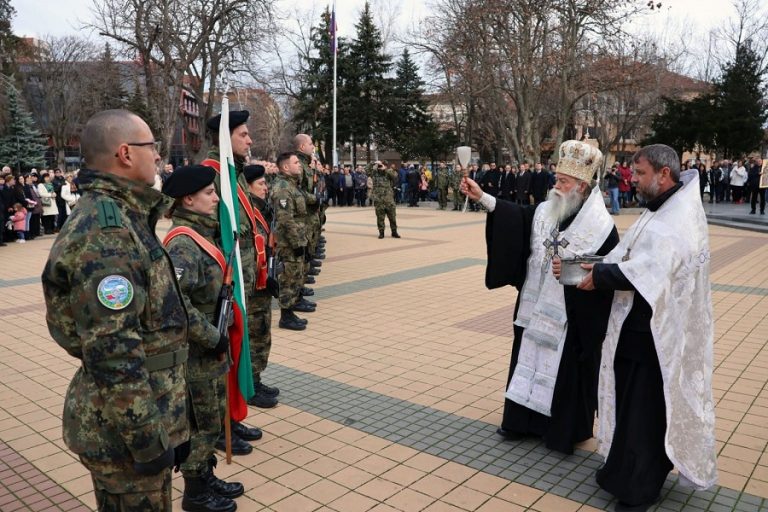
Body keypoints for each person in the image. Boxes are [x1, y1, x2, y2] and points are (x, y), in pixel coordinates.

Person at [41, 109, 190, 510]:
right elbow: (113, 351)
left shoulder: (125, 215)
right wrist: (146, 437)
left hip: (148, 412)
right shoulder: (107, 232)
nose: (158, 157)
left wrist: (173, 424)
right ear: (125, 153)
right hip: (126, 429)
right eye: (151, 147)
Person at [577, 144, 717, 510]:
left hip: (655, 335)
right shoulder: (663, 206)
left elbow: (650, 270)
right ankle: (623, 470)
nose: (632, 180)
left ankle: (639, 487)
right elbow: (633, 253)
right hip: (639, 327)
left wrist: (601, 275)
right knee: (634, 406)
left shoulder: (677, 216)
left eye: (639, 174)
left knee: (644, 409)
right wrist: (600, 265)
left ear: (663, 174)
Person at [461, 140, 619, 455]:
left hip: (570, 316)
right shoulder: (546, 210)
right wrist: (483, 198)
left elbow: (608, 270)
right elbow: (517, 217)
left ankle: (559, 431)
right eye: (556, 178)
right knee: (526, 358)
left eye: (564, 181)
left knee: (565, 372)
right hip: (534, 308)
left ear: (582, 186)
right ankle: (521, 422)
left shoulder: (602, 226)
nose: (556, 185)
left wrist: (573, 269)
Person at [161, 165, 244, 512]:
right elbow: (176, 305)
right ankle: (194, 492)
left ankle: (204, 474)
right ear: (188, 199)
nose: (215, 198)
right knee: (202, 422)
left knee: (212, 418)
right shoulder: (183, 243)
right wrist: (212, 337)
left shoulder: (201, 233)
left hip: (209, 349)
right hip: (196, 353)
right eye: (209, 193)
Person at [202, 111, 271, 441]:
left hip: (242, 280)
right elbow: (213, 234)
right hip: (225, 283)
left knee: (236, 350)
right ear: (224, 139)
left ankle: (232, 414)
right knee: (222, 356)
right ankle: (220, 426)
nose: (249, 139)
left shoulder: (234, 174)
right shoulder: (210, 175)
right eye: (243, 134)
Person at [242, 164, 282, 407]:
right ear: (247, 188)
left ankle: (255, 378)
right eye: (261, 184)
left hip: (262, 282)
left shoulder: (262, 210)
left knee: (261, 332)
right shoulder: (248, 214)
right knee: (253, 333)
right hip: (252, 285)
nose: (266, 188)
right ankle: (250, 385)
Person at [272, 152, 312, 330]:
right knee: (288, 279)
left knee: (295, 277)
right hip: (289, 244)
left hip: (299, 239)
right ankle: (285, 317)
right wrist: (296, 244)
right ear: (285, 167)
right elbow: (285, 220)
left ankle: (290, 311)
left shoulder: (291, 185)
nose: (299, 165)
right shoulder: (282, 188)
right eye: (296, 162)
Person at [371, 160, 400, 238]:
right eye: (381, 165)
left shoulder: (389, 172)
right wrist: (374, 163)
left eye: (384, 165)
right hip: (379, 200)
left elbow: (395, 177)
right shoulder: (374, 173)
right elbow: (367, 170)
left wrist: (385, 170)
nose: (381, 166)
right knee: (380, 218)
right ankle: (381, 232)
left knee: (392, 217)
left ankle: (394, 232)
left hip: (389, 200)